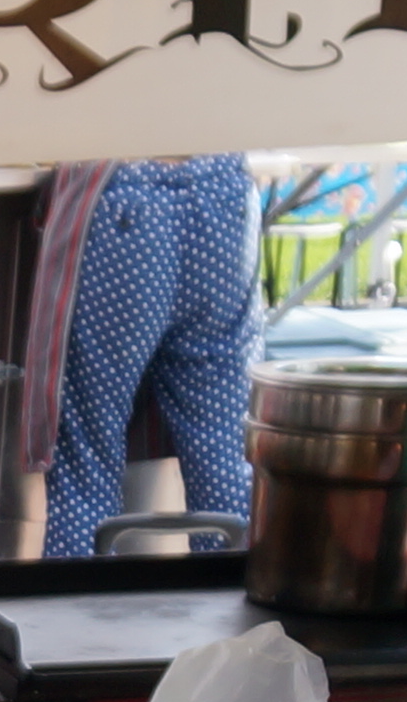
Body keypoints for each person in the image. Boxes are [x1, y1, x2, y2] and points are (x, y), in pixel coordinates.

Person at [32, 157, 262, 561]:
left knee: (86, 457)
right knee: (227, 456)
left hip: (124, 197)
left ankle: (81, 596)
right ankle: (238, 592)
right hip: (225, 192)